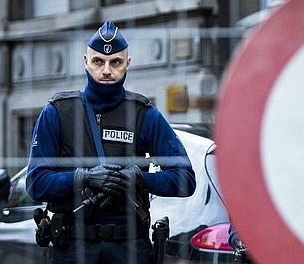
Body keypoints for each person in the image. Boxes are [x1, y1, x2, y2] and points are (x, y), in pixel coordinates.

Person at [26, 21, 196, 264]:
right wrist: (83, 177)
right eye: (98, 62)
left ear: (127, 64)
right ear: (86, 62)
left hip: (129, 247)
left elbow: (186, 179)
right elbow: (36, 183)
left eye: (115, 62)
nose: (106, 70)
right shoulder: (57, 113)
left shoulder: (144, 115)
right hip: (73, 247)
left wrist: (140, 178)